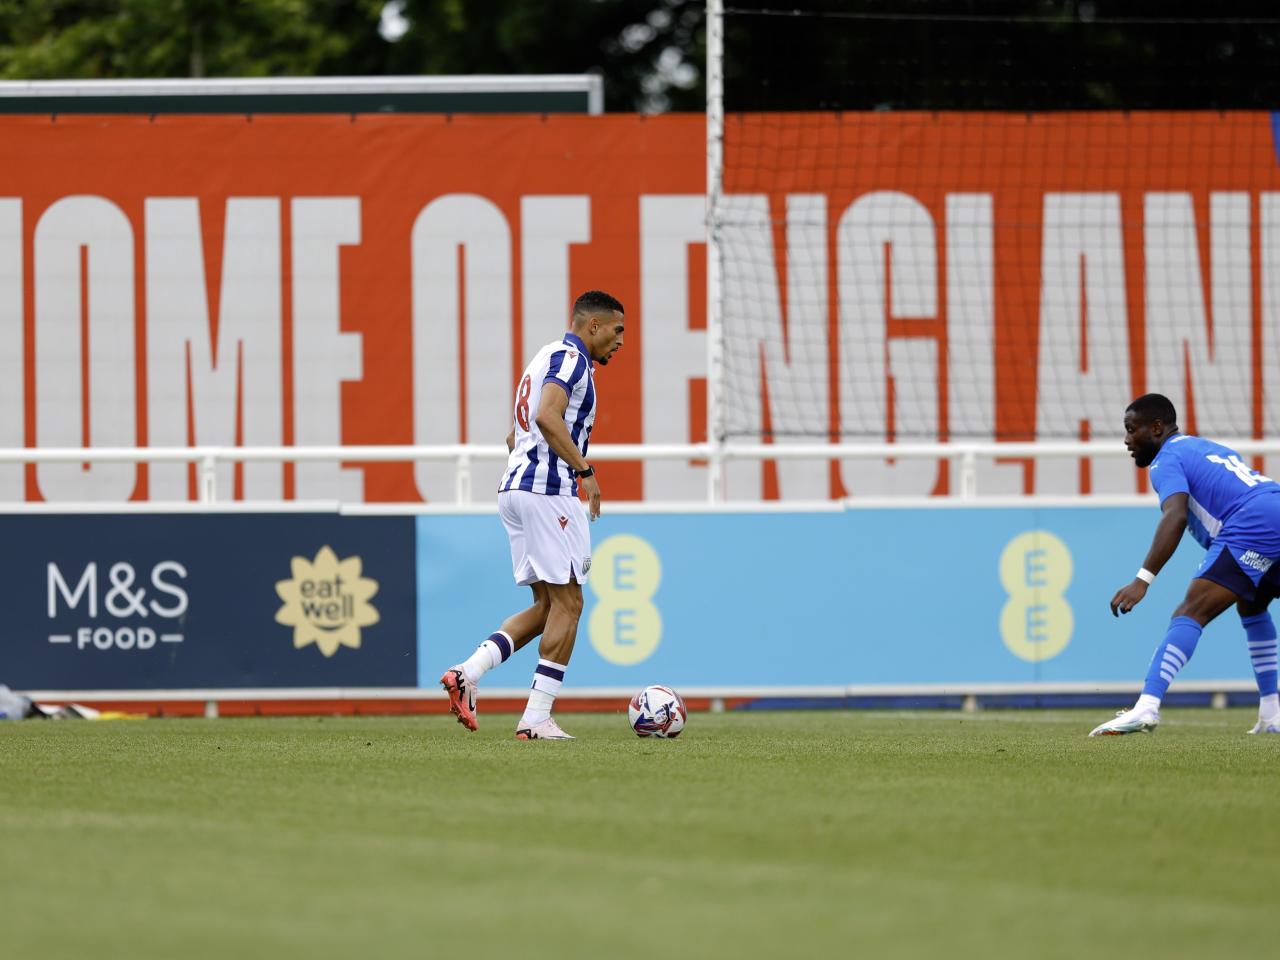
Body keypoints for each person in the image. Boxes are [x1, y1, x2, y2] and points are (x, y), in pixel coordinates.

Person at [439, 290, 625, 740]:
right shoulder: (573, 361)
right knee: (570, 603)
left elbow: (514, 435)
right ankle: (536, 717)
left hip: (516, 488)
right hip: (547, 492)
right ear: (593, 326)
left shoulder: (544, 356)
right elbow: (546, 416)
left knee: (547, 608)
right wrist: (584, 471)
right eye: (617, 330)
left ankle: (467, 672)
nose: (621, 341)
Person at [1091, 393, 1280, 736]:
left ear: (1156, 428)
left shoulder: (1166, 460)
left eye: (1131, 429)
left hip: (1253, 520)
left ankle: (1147, 706)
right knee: (1252, 604)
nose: (1127, 439)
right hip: (1274, 504)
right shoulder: (1204, 447)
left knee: (1190, 612)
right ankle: (1271, 713)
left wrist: (1142, 580)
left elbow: (1175, 516)